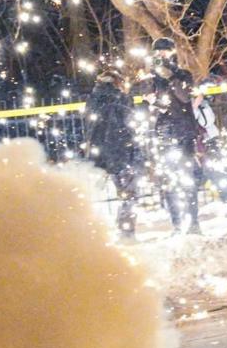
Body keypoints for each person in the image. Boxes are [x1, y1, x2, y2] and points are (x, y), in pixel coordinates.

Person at [146, 37, 203, 235]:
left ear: (172, 52)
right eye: (157, 52)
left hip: (184, 133)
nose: (160, 55)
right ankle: (177, 224)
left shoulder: (183, 75)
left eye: (164, 51)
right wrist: (153, 102)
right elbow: (161, 106)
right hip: (165, 133)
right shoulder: (153, 79)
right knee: (169, 181)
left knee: (188, 178)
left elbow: (184, 97)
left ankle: (193, 223)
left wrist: (171, 78)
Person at [85, 69, 140, 241]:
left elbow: (89, 125)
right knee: (128, 194)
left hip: (99, 155)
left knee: (96, 196)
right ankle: (126, 232)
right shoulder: (122, 98)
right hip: (121, 153)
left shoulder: (92, 100)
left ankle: (92, 233)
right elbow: (130, 124)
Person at [193, 81, 227, 216]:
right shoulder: (188, 105)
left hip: (209, 143)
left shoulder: (203, 107)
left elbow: (207, 122)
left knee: (217, 174)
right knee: (210, 174)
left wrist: (196, 106)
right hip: (198, 144)